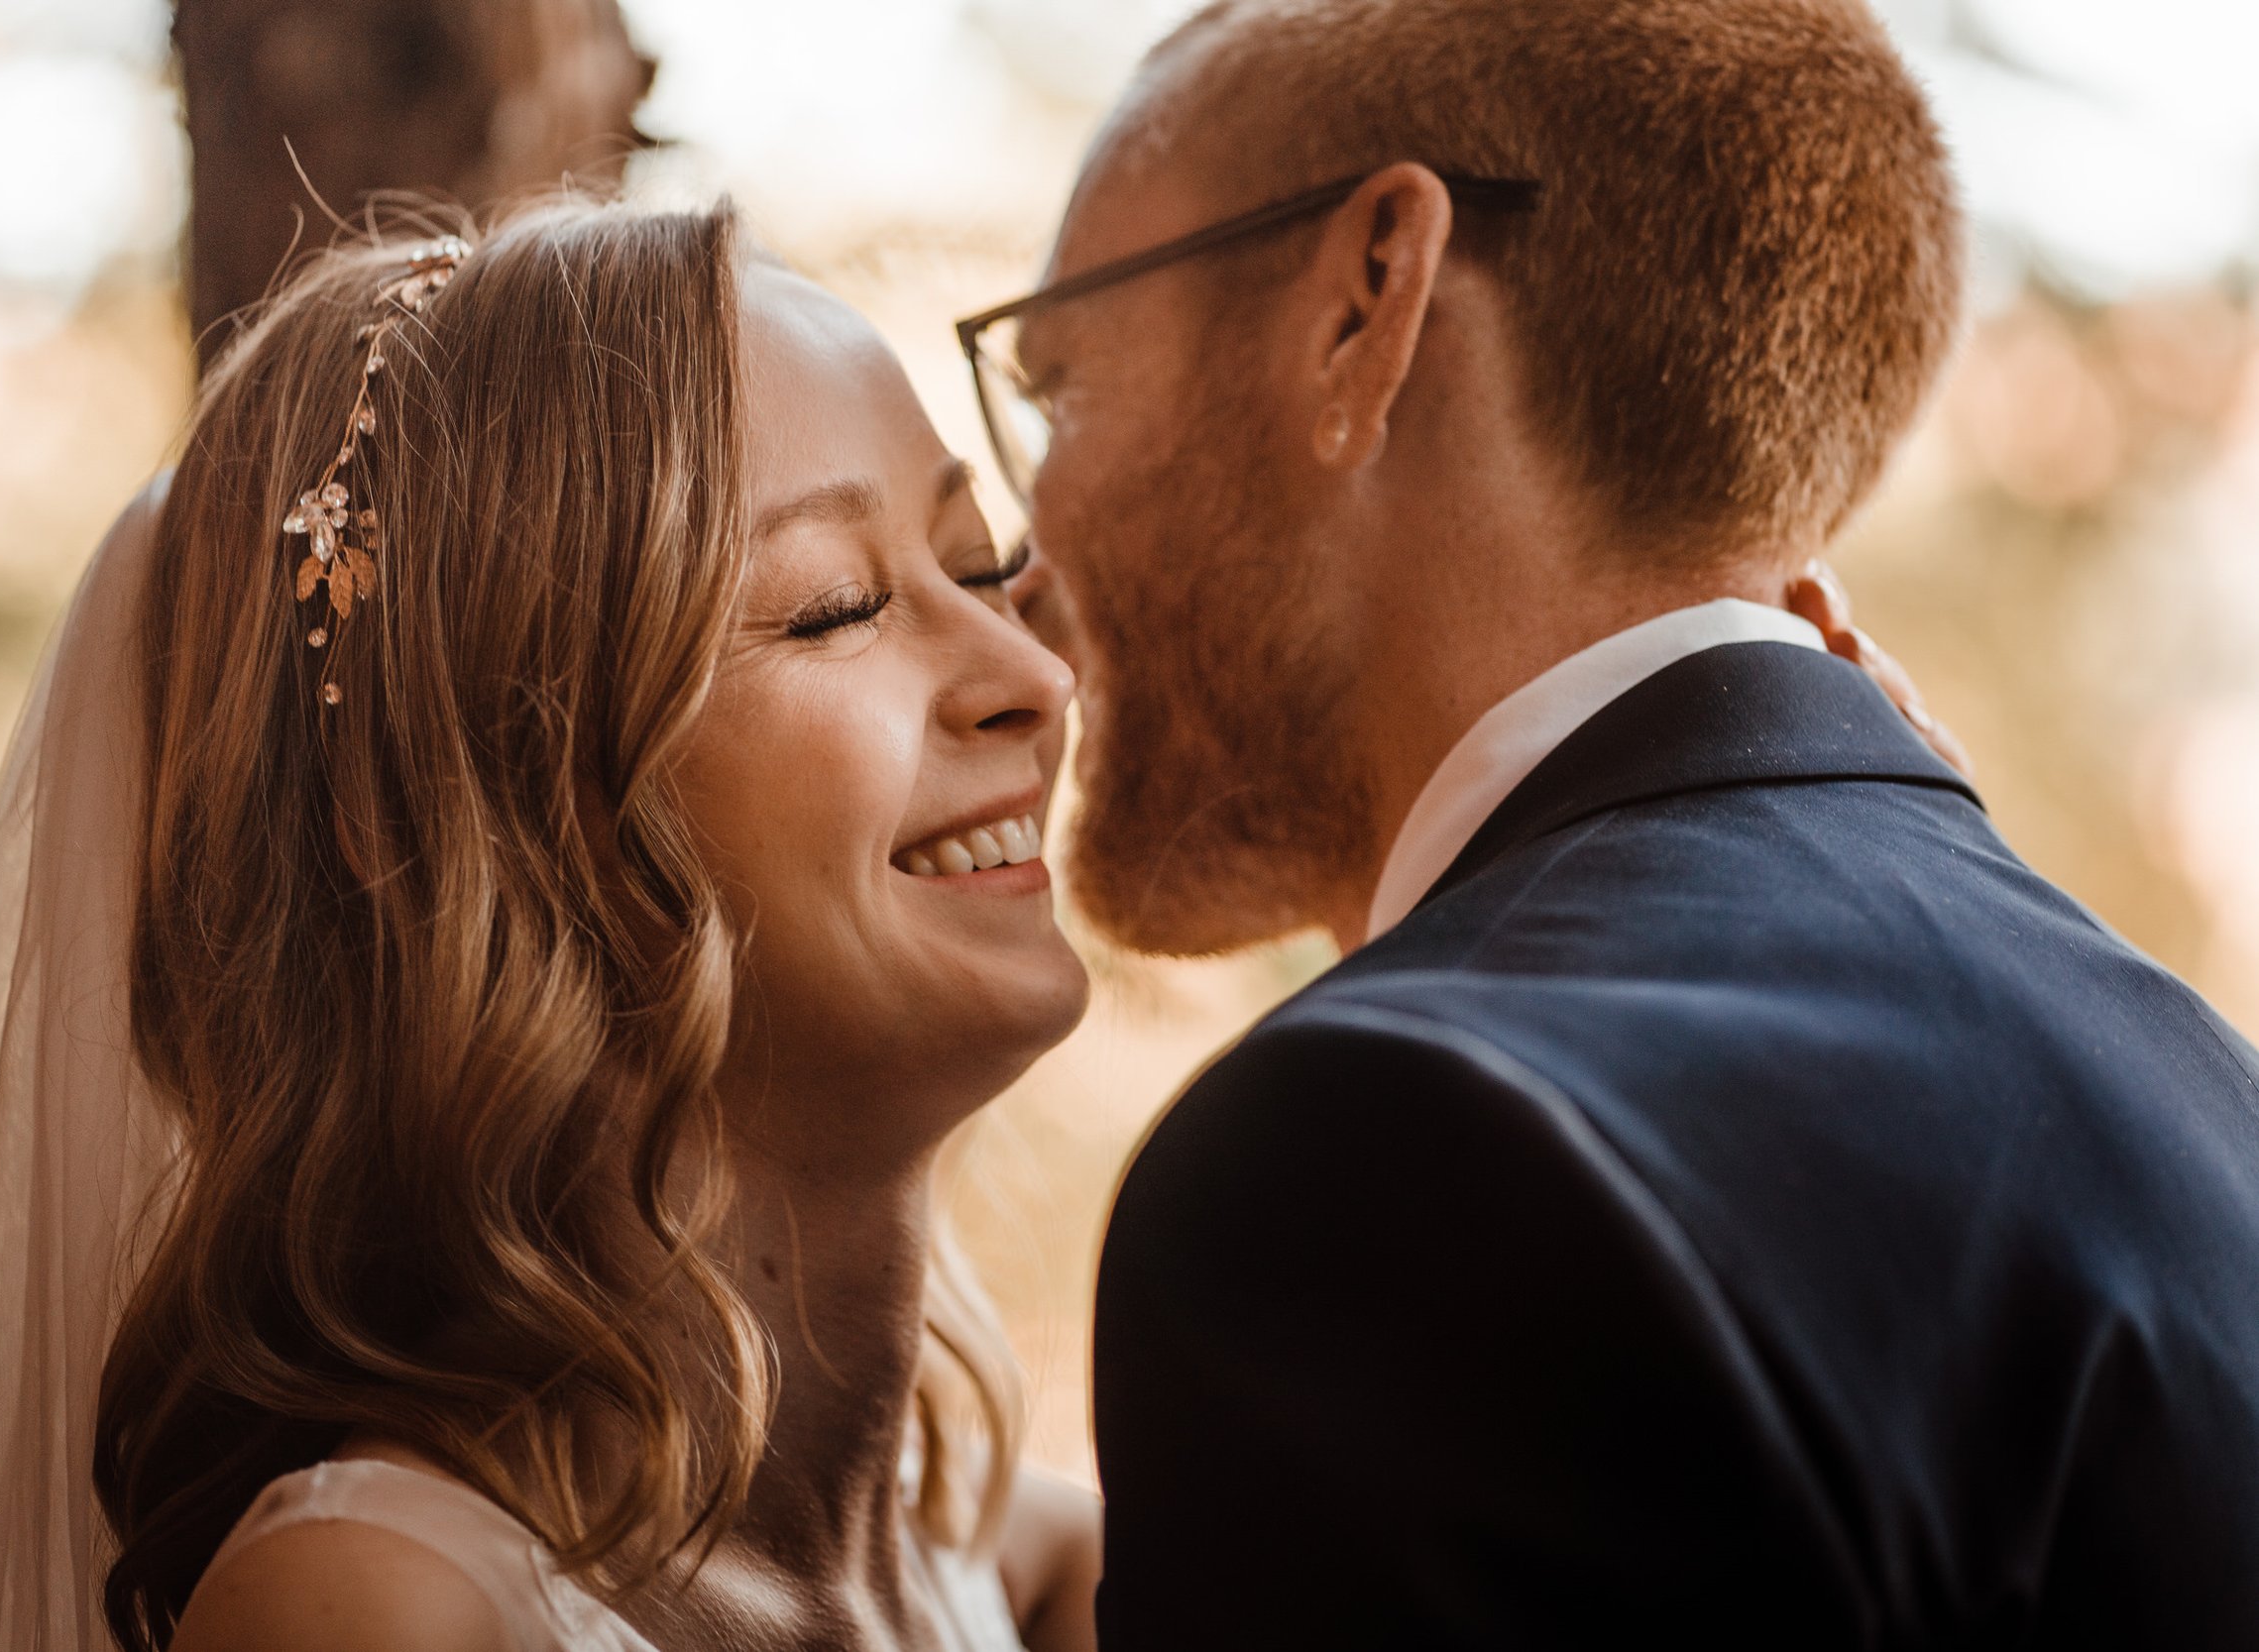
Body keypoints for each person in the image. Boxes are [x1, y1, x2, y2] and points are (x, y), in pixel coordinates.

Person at [960, 0, 2259, 1644]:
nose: (1021, 565)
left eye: (1058, 386)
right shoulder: (2199, 1085)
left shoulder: (1397, 1149)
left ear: (1369, 303)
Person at [0, 197, 1101, 1652]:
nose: (1032, 675)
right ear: (493, 826)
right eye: (834, 608)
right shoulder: (383, 1608)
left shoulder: (1051, 1571)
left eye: (977, 567)